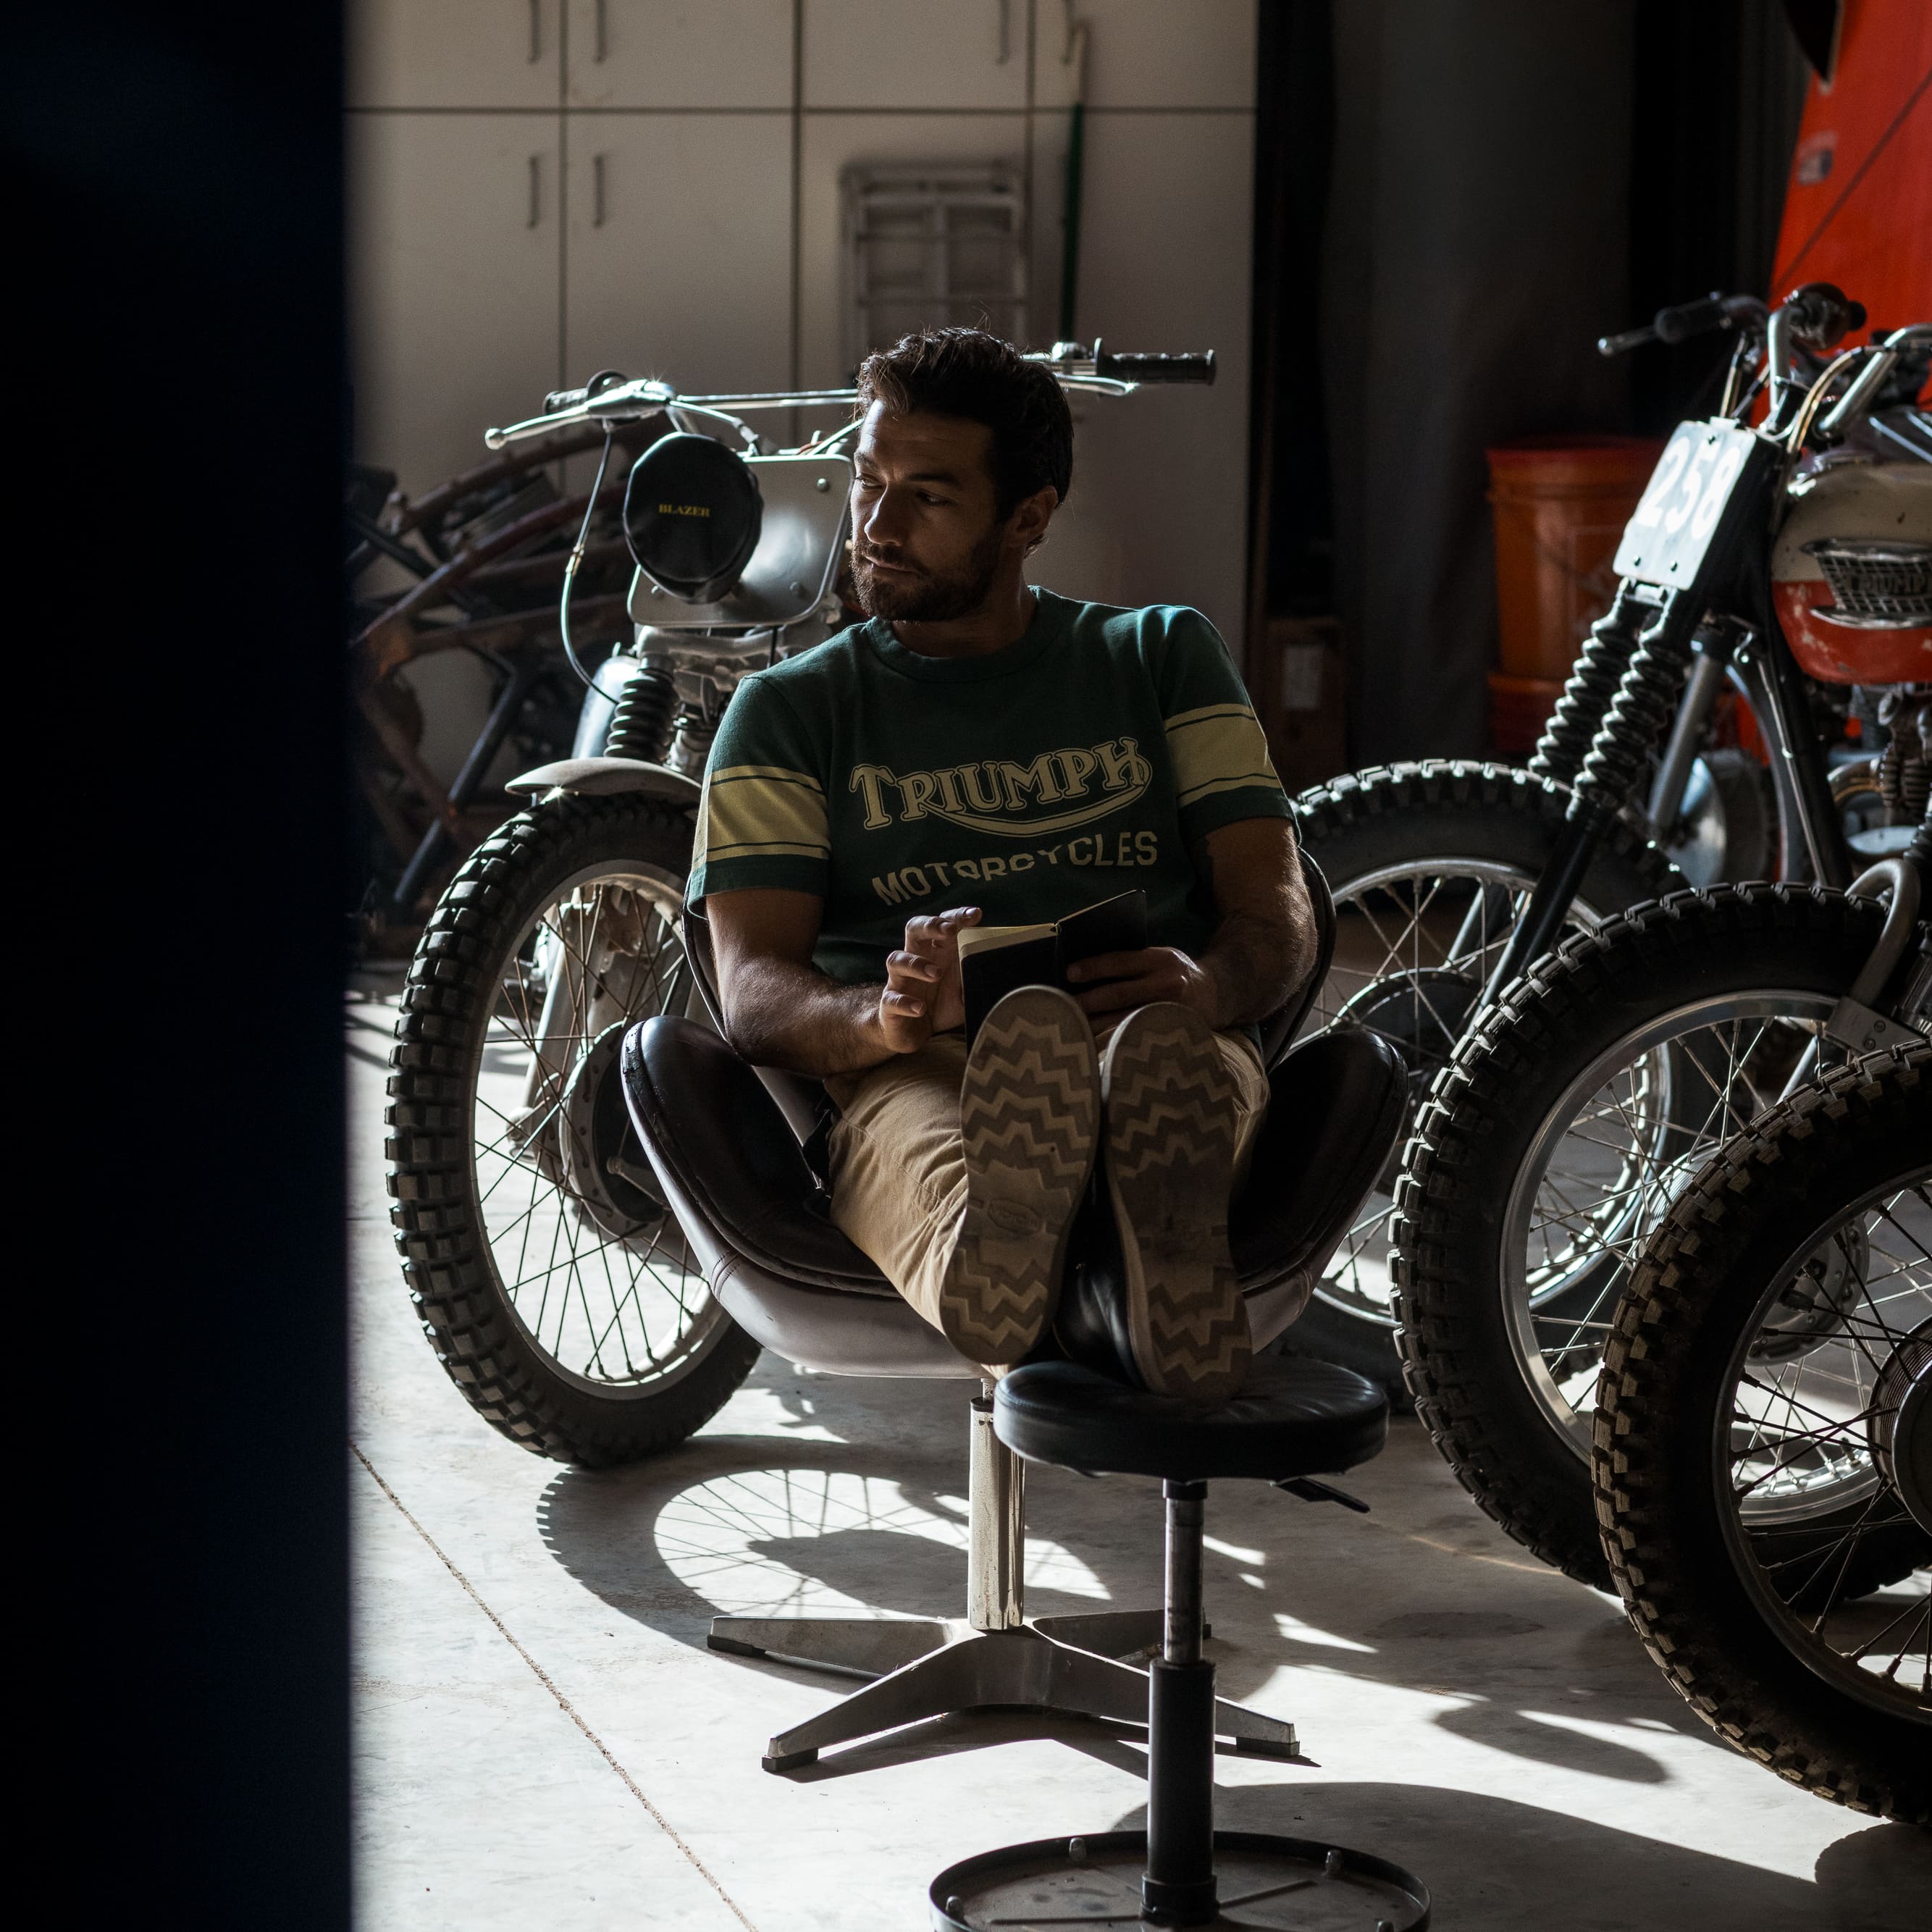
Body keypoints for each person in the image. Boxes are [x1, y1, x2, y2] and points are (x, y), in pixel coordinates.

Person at [689, 328, 1318, 1403]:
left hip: (1155, 1032)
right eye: (867, 480)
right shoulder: (790, 712)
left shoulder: (1163, 658)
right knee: (948, 1155)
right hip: (919, 1064)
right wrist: (878, 1019)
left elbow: (1279, 903)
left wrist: (1210, 984)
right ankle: (1098, 1290)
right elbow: (751, 990)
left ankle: (1101, 1236)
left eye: (927, 497)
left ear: (1029, 517)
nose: (877, 526)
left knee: (1171, 1081)